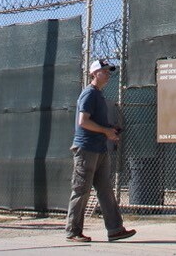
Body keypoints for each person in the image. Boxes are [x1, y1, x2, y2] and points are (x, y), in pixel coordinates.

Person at [64, 58, 135, 243]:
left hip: (99, 149)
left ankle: (115, 229)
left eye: (109, 72)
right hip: (86, 149)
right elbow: (83, 121)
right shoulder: (89, 94)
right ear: (93, 74)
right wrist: (105, 131)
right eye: (104, 71)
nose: (107, 75)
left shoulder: (99, 95)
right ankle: (73, 231)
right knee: (81, 190)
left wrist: (109, 130)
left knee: (105, 190)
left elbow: (95, 122)